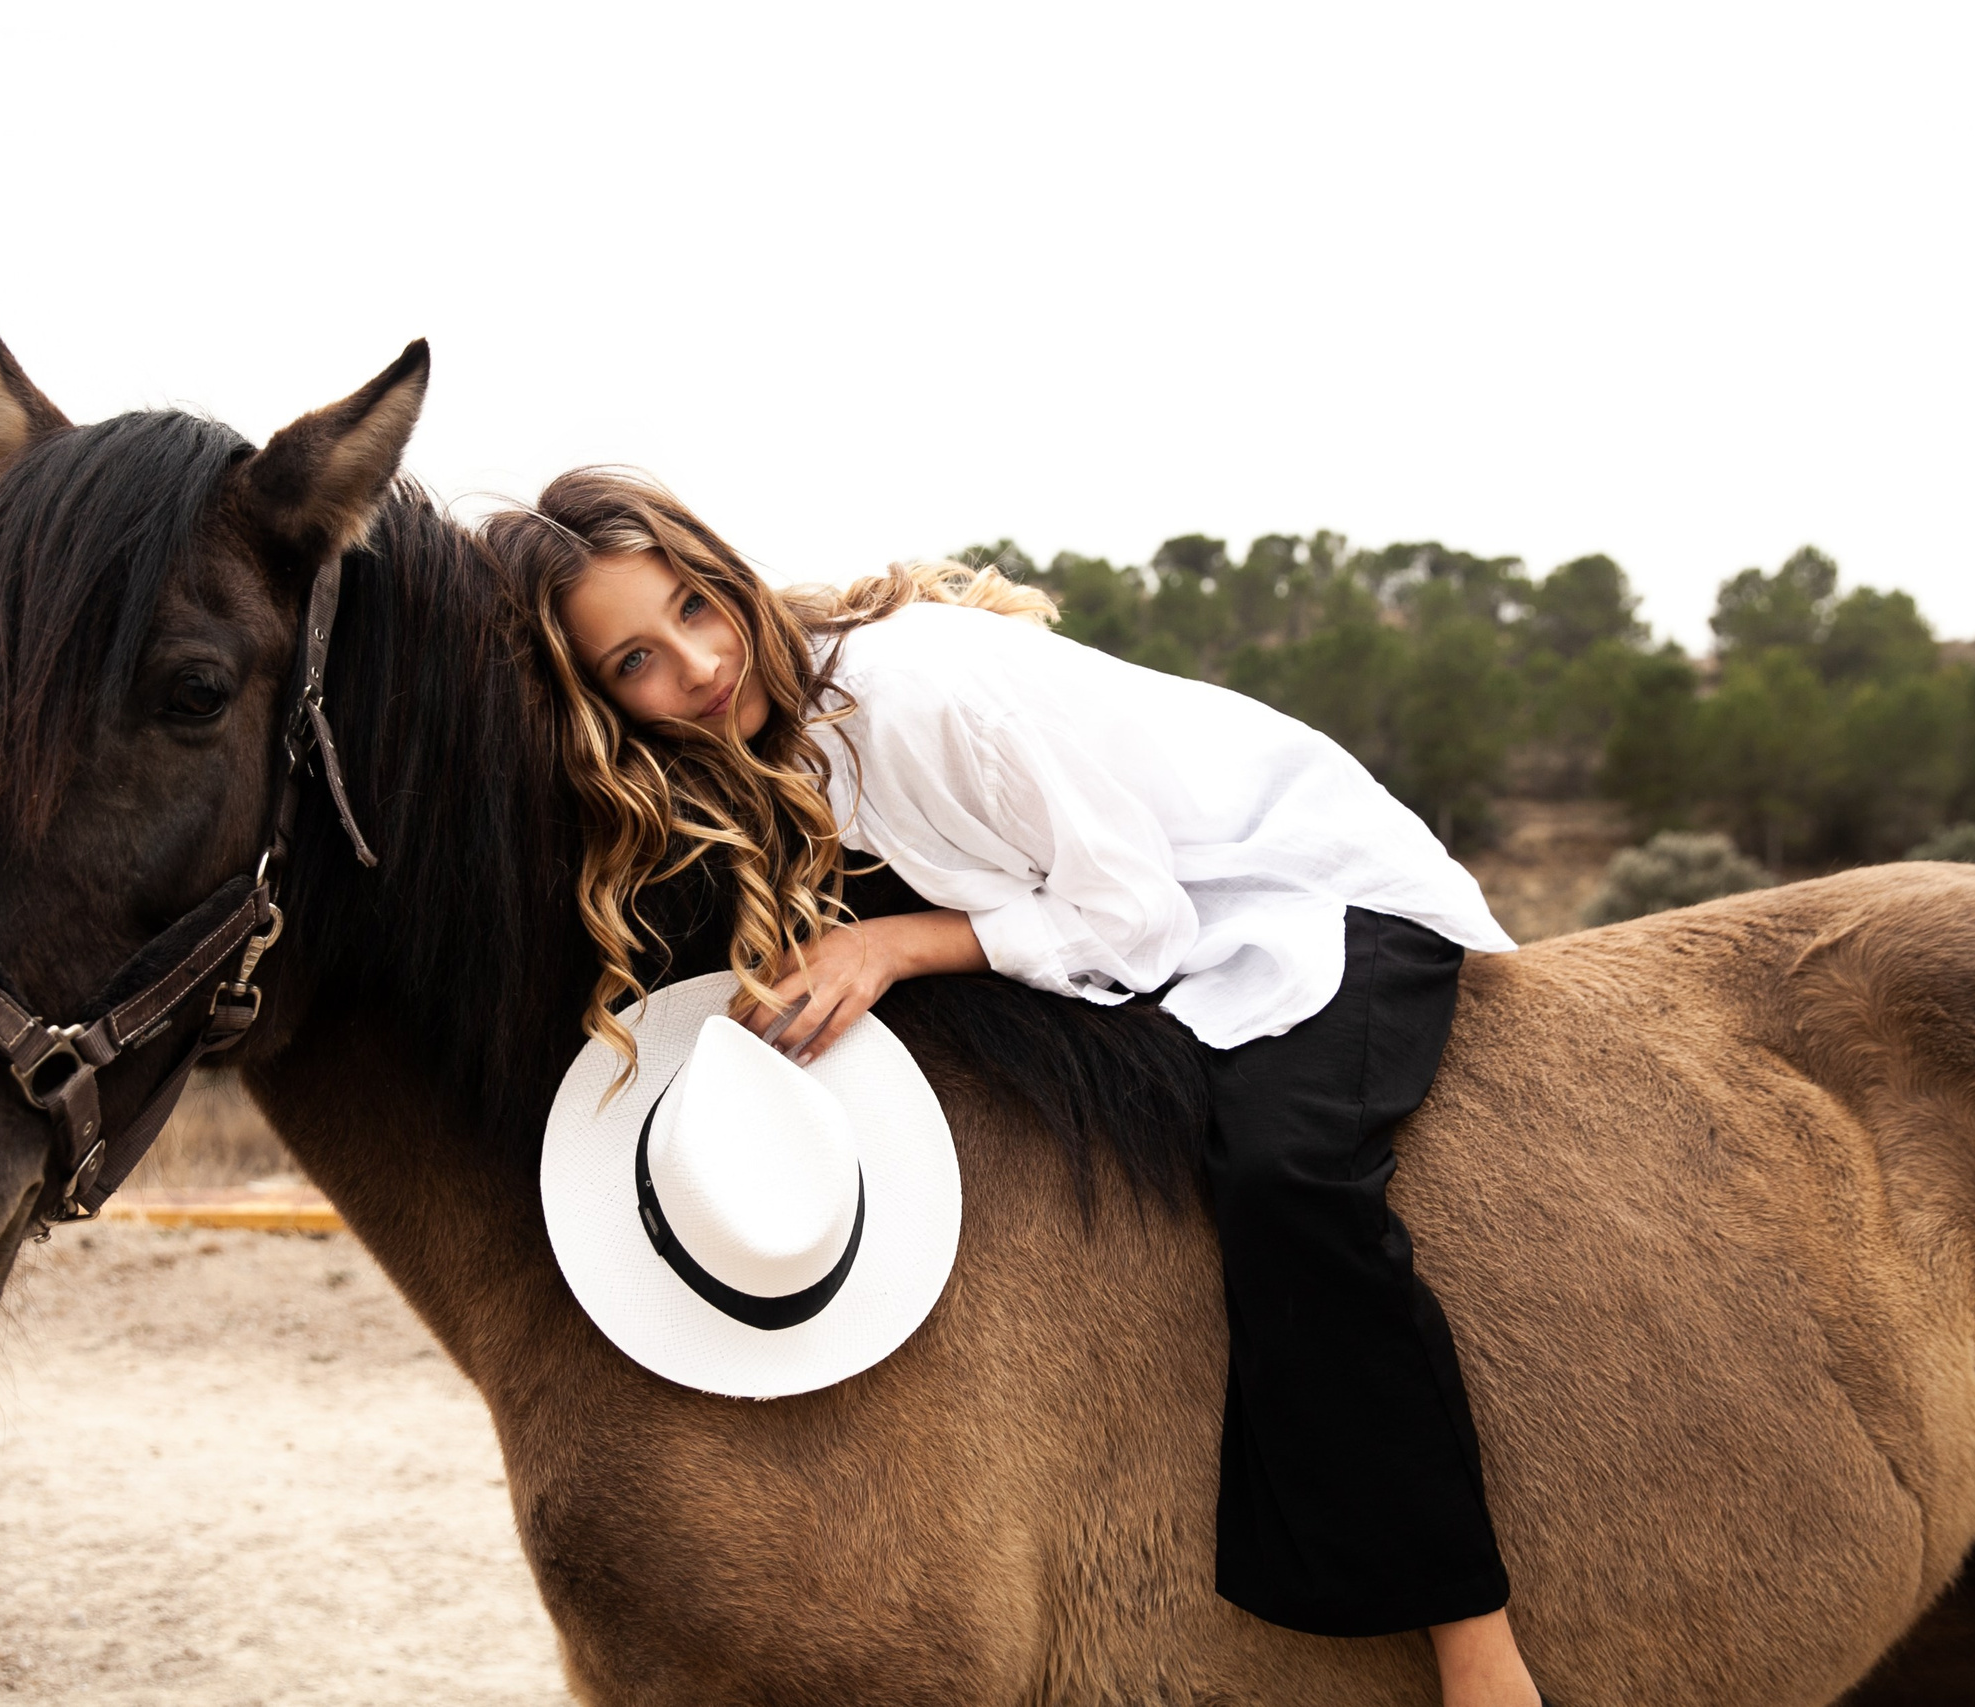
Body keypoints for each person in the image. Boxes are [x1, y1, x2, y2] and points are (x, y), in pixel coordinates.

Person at [482, 468, 1545, 1707]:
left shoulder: (911, 695)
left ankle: (1476, 1645)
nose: (697, 665)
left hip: (1295, 896)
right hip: (1145, 921)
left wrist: (891, 945)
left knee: (1286, 1180)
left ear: (726, 575)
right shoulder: (745, 741)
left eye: (694, 608)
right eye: (635, 662)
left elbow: (1131, 913)